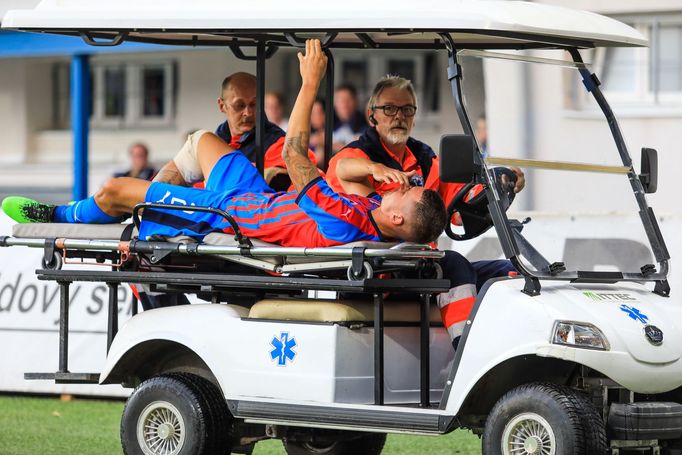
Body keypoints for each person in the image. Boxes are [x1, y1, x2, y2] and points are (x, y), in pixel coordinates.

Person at [2, 40, 446, 251]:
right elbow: (349, 170)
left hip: (229, 209)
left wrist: (310, 81)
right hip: (254, 194)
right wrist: (376, 173)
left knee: (116, 190)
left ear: (396, 215)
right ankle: (153, 210)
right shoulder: (374, 215)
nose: (404, 183)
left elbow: (294, 157)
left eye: (406, 191)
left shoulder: (348, 220)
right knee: (201, 141)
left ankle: (62, 214)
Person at [325, 75, 525, 348]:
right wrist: (376, 170)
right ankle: (467, 352)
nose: (399, 116)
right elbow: (341, 181)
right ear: (372, 115)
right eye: (390, 109)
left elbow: (459, 205)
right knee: (454, 265)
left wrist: (501, 184)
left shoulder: (426, 159)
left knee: (509, 270)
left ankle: (516, 351)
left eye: (407, 109)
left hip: (420, 266)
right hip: (377, 270)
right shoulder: (356, 158)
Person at [153, 72, 317, 190]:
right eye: (239, 105)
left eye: (254, 104)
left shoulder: (277, 143)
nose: (248, 112)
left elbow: (301, 177)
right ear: (221, 105)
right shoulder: (216, 140)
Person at [332, 83, 368, 152]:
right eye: (340, 100)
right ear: (335, 103)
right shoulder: (327, 124)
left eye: (348, 100)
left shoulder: (366, 124)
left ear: (356, 101)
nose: (344, 105)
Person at [310, 98, 326, 168]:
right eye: (312, 113)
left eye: (319, 113)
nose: (315, 117)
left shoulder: (336, 132)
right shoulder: (308, 135)